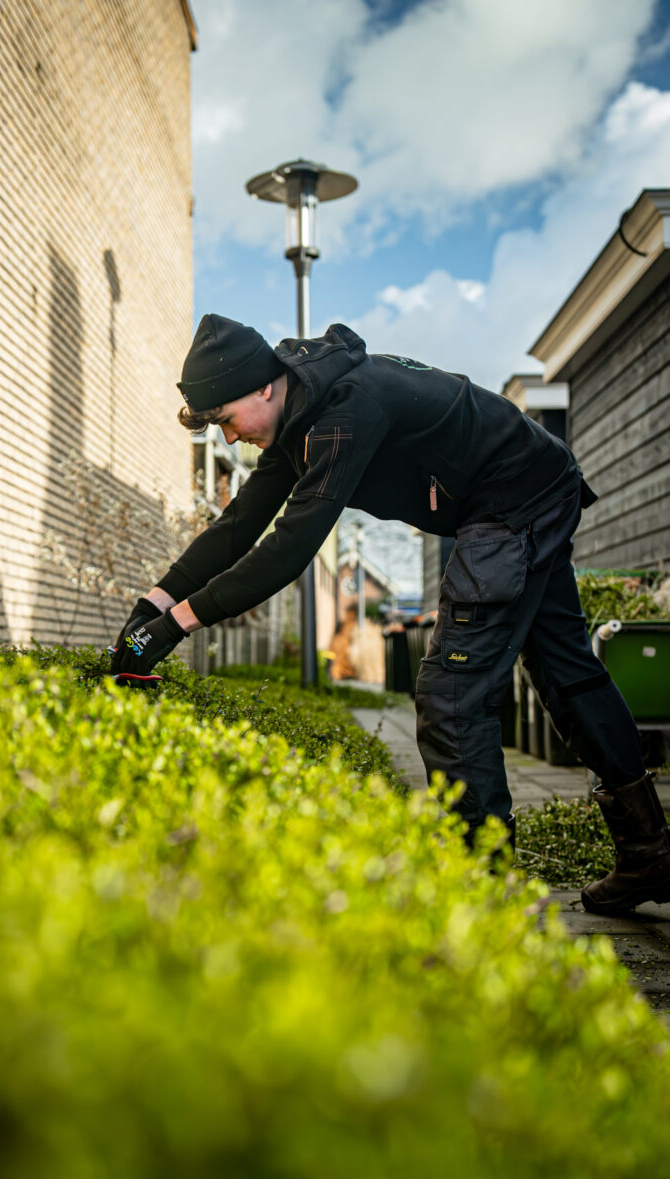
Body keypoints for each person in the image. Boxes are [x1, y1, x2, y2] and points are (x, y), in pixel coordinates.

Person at [110, 314, 670, 915]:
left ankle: (484, 891)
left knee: (451, 692)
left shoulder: (346, 411)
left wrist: (172, 629)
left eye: (224, 420)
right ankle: (649, 853)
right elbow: (239, 527)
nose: (227, 439)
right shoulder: (299, 421)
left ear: (263, 387)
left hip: (514, 499)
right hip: (530, 487)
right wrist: (153, 604)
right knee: (566, 671)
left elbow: (289, 551)